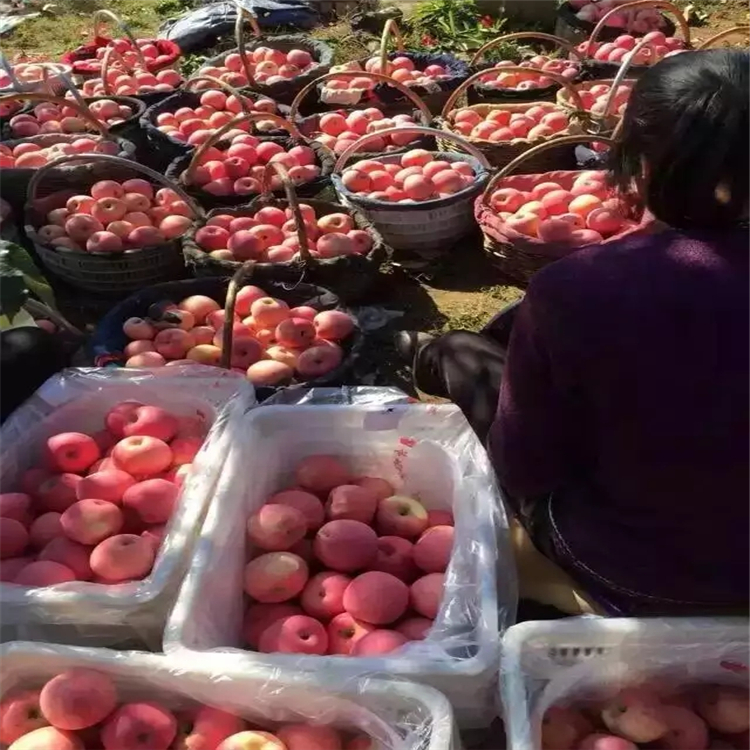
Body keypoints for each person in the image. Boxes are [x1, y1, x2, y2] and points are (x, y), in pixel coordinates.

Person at [396, 48, 749, 617]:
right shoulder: (586, 290)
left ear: (635, 157)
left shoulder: (579, 289)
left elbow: (526, 467)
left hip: (629, 571)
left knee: (462, 352)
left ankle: (433, 357)